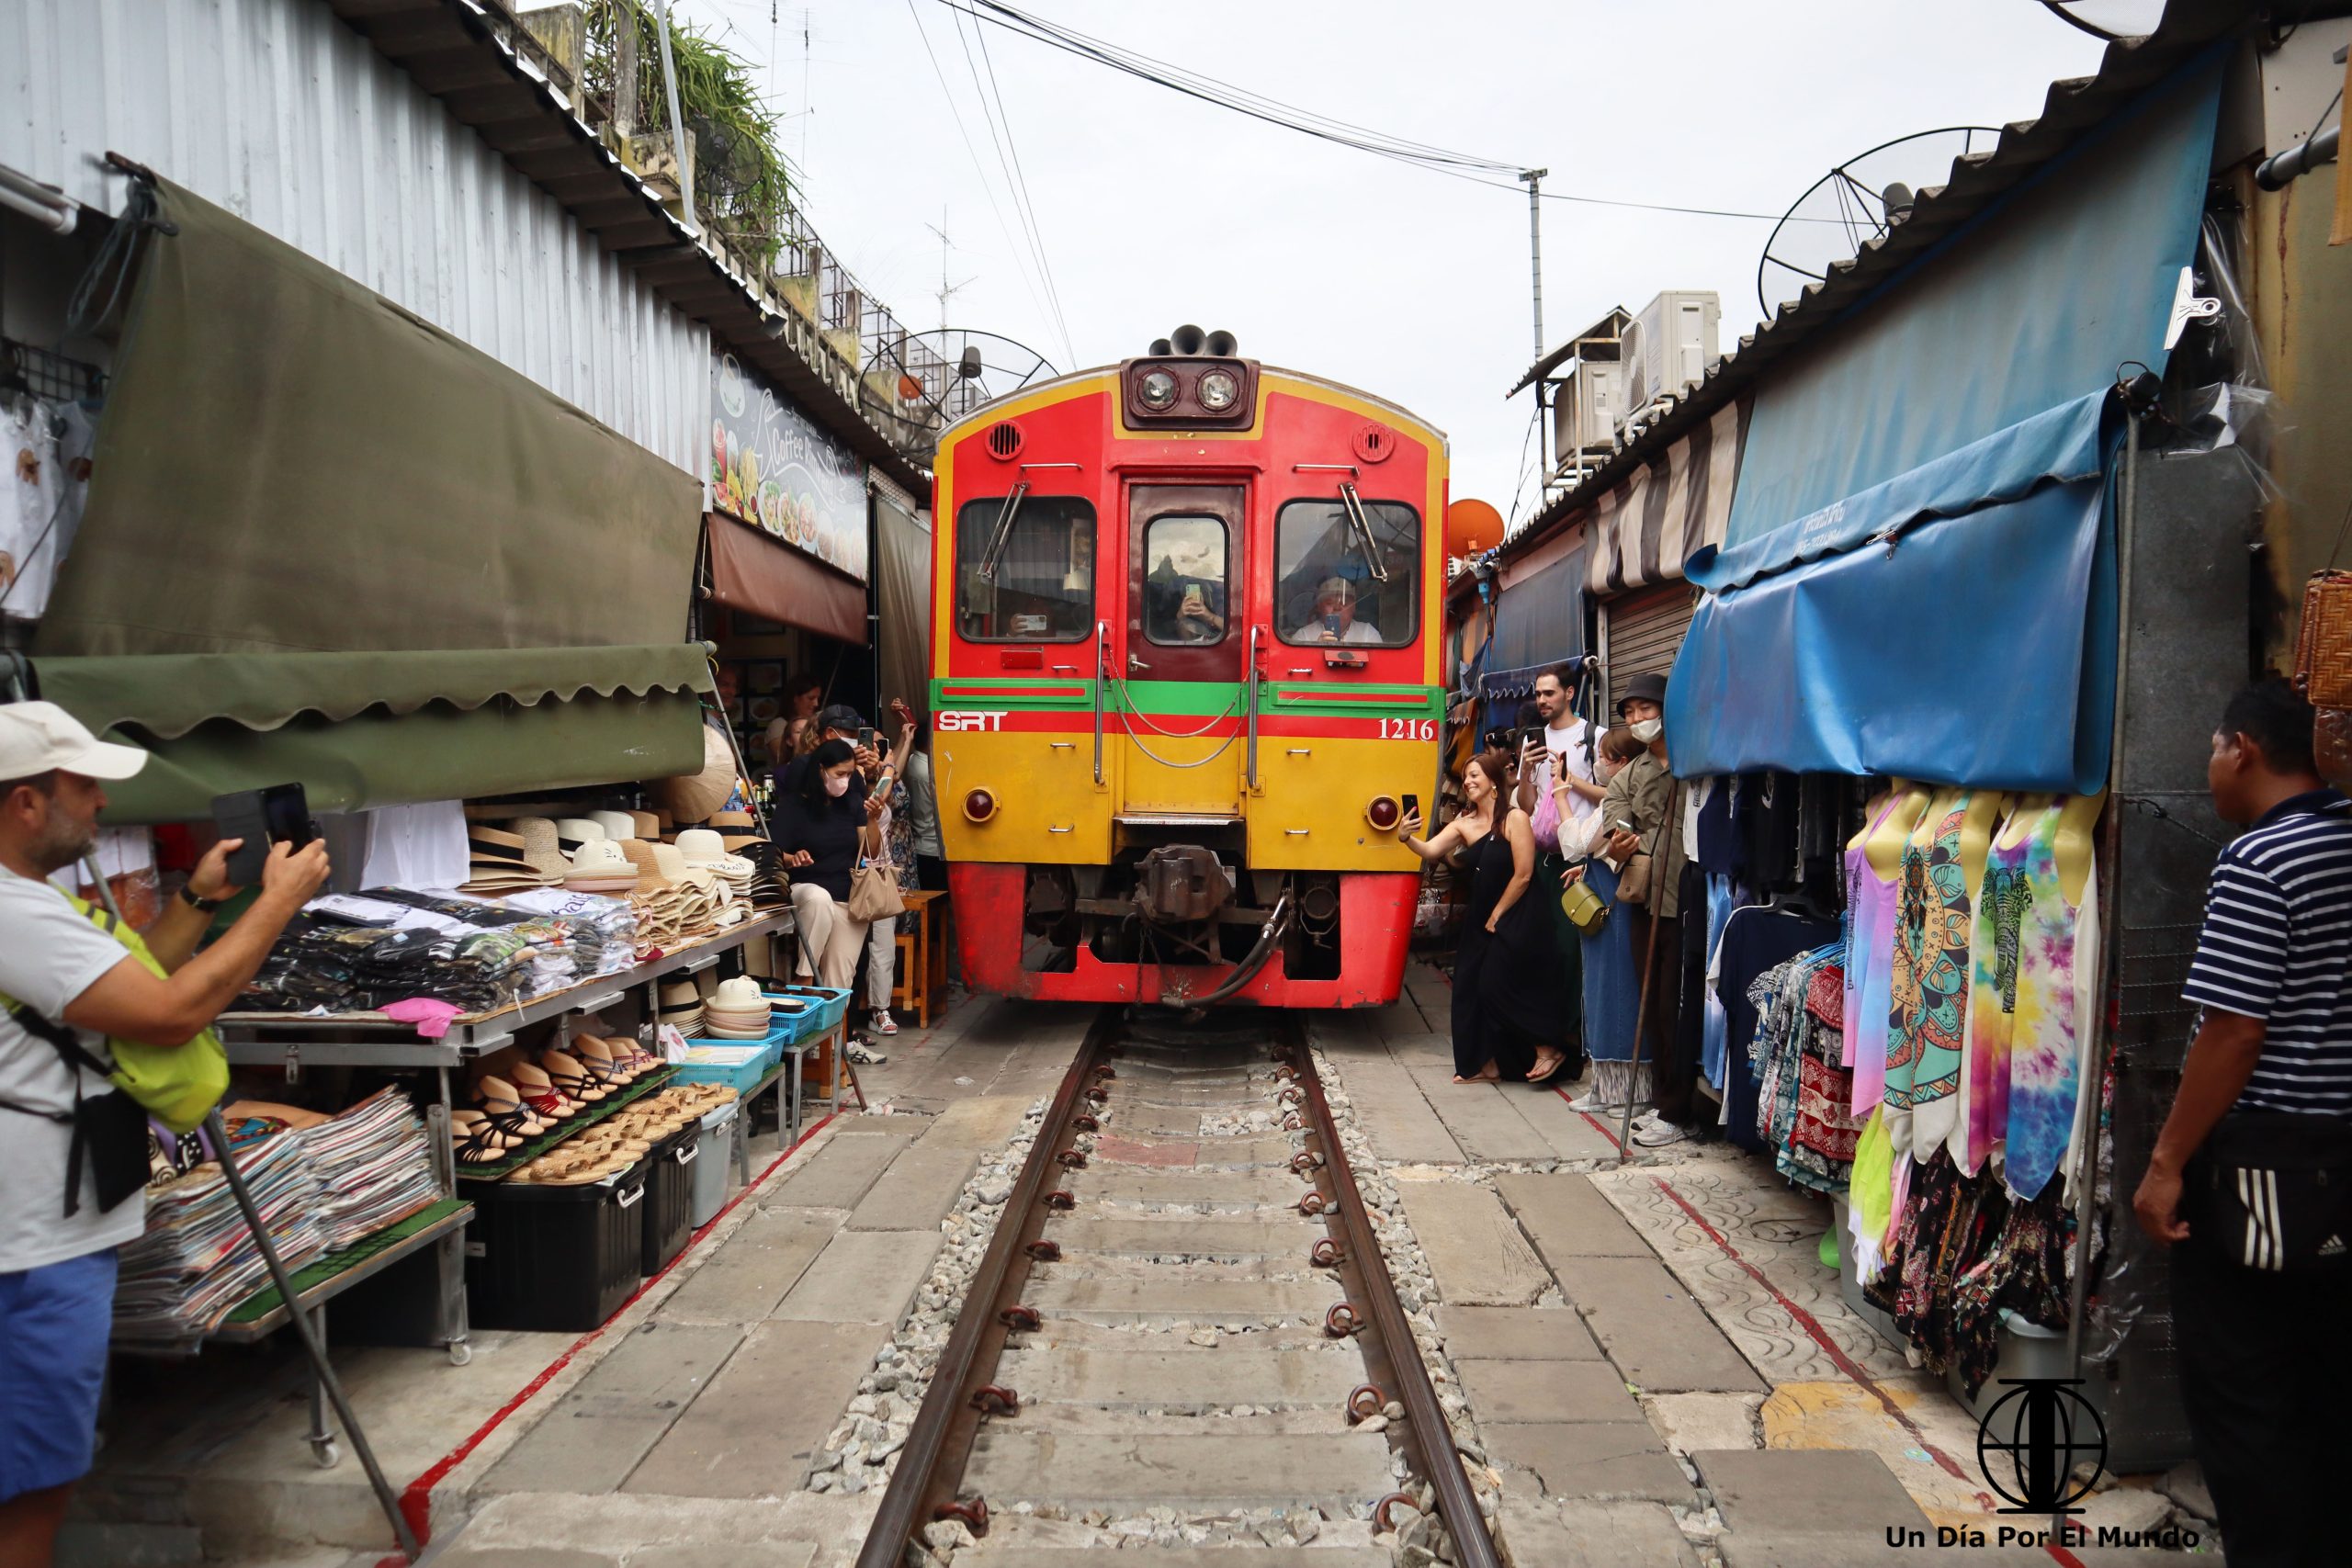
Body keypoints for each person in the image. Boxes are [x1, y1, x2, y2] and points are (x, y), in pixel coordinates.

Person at [0, 703, 329, 1568]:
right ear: (25, 804)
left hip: (41, 1237)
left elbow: (109, 987)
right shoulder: (13, 914)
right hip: (28, 1252)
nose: (102, 805)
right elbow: (170, 1012)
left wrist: (196, 902)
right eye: (82, 785)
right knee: (29, 1493)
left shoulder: (28, 907)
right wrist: (277, 903)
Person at [2132, 679, 2351, 1568]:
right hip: (2339, 1162)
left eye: (2212, 751)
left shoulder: (2259, 861)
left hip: (2267, 1164)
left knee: (2245, 1401)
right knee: (2327, 1394)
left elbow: (2231, 1030)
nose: (2209, 771)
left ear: (2244, 750)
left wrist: (2166, 1160)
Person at [1396, 748, 1570, 1086]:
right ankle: (1485, 1063)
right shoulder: (1465, 823)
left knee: (1495, 985)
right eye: (1465, 778)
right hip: (1482, 915)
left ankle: (1547, 1047)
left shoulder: (1515, 818)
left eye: (1475, 775)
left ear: (1493, 781)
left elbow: (1523, 875)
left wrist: (1498, 915)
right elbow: (1431, 850)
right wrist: (1406, 838)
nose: (1468, 782)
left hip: (1518, 912)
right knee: (1467, 986)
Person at [1587, 671, 1692, 1147]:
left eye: (1644, 710)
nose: (1636, 719)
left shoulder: (1695, 763)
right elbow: (1615, 827)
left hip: (1690, 900)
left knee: (1680, 1006)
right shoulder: (1631, 773)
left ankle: (1678, 1109)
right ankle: (1666, 1104)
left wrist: (1641, 839)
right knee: (1654, 1004)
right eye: (1628, 713)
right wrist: (1630, 842)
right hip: (1646, 901)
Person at [1514, 663, 1603, 1081]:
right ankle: (1548, 1040)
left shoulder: (1593, 738)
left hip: (1578, 860)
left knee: (1574, 954)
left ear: (1570, 692)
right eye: (1538, 694)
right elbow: (1527, 805)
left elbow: (1614, 795)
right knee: (1542, 952)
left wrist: (1568, 782)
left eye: (1549, 693)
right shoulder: (1534, 740)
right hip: (1542, 859)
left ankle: (1574, 1044)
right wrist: (1527, 772)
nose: (1542, 701)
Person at [1564, 727, 1653, 1112]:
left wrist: (1559, 795)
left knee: (1620, 990)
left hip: (1618, 903)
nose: (1598, 763)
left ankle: (1630, 1089)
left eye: (1605, 757)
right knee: (1599, 990)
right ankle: (1605, 1085)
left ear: (1622, 763)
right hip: (1600, 898)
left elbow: (1575, 844)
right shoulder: (1612, 799)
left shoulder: (1625, 800)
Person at [770, 738, 884, 996]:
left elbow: (870, 851)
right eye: (839, 773)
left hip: (848, 898)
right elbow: (774, 854)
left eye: (849, 774)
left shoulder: (853, 803)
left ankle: (834, 1035)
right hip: (804, 889)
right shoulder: (793, 806)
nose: (844, 780)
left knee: (839, 981)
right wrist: (793, 858)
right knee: (819, 899)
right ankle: (805, 977)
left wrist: (873, 819)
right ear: (821, 769)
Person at [763, 671, 825, 767]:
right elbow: (783, 757)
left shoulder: (817, 721)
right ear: (795, 698)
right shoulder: (778, 725)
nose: (816, 704)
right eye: (811, 698)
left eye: (818, 699)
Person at [1296, 576, 1381, 645]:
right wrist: (1316, 651)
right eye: (1330, 603)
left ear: (1353, 607)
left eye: (1344, 603)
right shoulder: (1304, 636)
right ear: (1319, 607)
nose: (1337, 608)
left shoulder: (1368, 633)